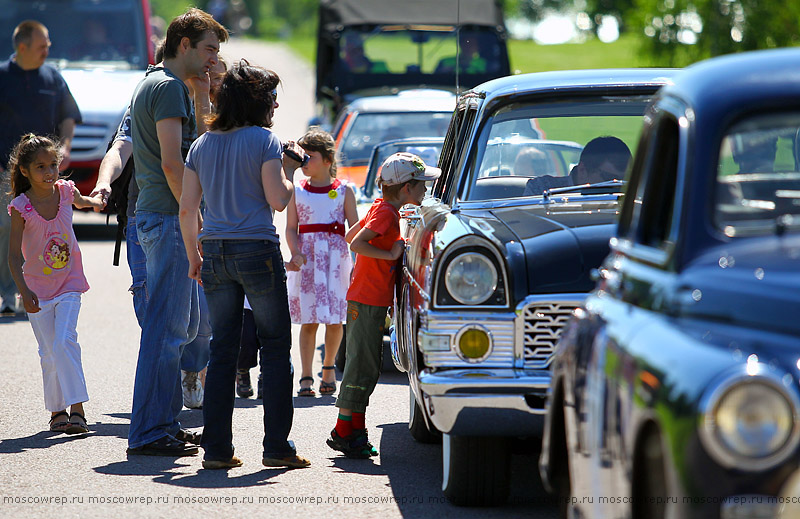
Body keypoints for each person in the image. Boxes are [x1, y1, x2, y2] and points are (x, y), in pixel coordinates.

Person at [179, 60, 311, 470]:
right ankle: (276, 447)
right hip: (256, 249)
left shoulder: (202, 145)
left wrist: (193, 257)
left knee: (222, 351)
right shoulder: (265, 141)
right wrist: (290, 169)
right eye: (270, 98)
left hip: (214, 251)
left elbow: (187, 209)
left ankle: (216, 449)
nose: (274, 105)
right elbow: (278, 199)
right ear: (256, 102)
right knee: (274, 347)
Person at [125, 8, 228, 458]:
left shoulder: (166, 85)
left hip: (163, 216)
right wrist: (193, 219)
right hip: (167, 219)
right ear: (183, 43)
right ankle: (149, 432)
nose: (213, 58)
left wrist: (204, 94)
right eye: (208, 48)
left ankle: (161, 425)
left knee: (176, 330)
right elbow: (172, 162)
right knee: (166, 333)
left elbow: (194, 148)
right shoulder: (166, 88)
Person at [327, 152, 440, 458]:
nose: (426, 190)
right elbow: (355, 242)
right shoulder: (387, 214)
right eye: (422, 185)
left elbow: (353, 233)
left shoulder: (383, 208)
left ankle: (350, 429)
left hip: (367, 297)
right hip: (367, 299)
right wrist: (391, 254)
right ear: (406, 188)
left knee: (365, 366)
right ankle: (347, 431)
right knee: (362, 367)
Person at [6, 134, 103, 434]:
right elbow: (12, 257)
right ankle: (57, 410)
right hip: (37, 290)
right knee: (48, 352)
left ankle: (78, 409)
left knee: (64, 341)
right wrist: (24, 292)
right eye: (40, 167)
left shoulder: (64, 192)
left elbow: (83, 201)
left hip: (69, 283)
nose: (49, 173)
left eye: (53, 165)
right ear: (25, 171)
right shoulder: (21, 207)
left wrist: (97, 202)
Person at [0, 20, 81, 316]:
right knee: (9, 228)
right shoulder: (2, 76)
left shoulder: (52, 77)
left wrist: (67, 146)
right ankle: (9, 293)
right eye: (42, 46)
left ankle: (37, 291)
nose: (47, 51)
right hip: (7, 172)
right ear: (22, 47)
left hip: (45, 173)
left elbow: (69, 115)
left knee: (43, 234)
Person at [285, 128, 358, 397]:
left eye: (309, 157)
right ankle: (306, 374)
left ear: (328, 160)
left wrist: (358, 260)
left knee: (335, 318)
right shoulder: (297, 191)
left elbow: (356, 230)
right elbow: (291, 227)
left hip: (336, 262)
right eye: (302, 157)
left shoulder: (344, 191)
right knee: (309, 319)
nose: (304, 162)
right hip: (308, 261)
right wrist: (295, 251)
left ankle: (328, 370)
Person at [523, 136, 631, 196]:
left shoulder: (639, 199)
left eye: (627, 180)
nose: (620, 187)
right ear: (583, 170)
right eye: (610, 180)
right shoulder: (541, 189)